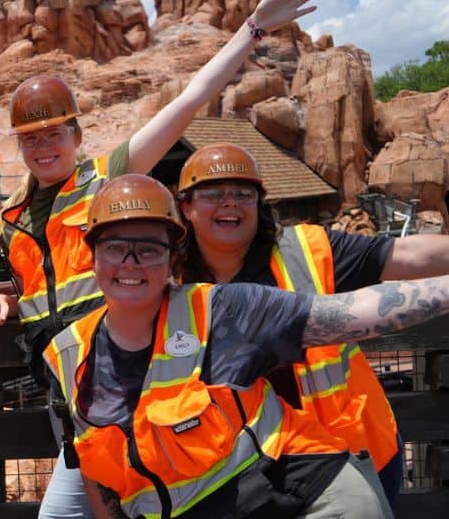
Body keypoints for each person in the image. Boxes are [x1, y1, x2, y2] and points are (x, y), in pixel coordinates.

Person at [0, 0, 321, 518]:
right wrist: (10, 302)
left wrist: (252, 28)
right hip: (73, 391)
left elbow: (188, 100)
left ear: (76, 135)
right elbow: (52, 288)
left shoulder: (103, 183)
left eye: (54, 133)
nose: (44, 147)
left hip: (138, 374)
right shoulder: (12, 222)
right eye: (31, 138)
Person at [38, 173, 429, 518]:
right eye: (114, 247)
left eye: (149, 250)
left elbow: (357, 310)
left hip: (304, 485)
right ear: (91, 257)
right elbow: (94, 471)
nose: (130, 262)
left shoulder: (219, 308)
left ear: (172, 258)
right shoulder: (67, 357)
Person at [177, 143, 449, 508]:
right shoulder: (167, 281)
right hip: (238, 474)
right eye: (213, 193)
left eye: (243, 193)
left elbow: (409, 255)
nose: (230, 202)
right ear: (186, 207)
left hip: (351, 454)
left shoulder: (306, 250)